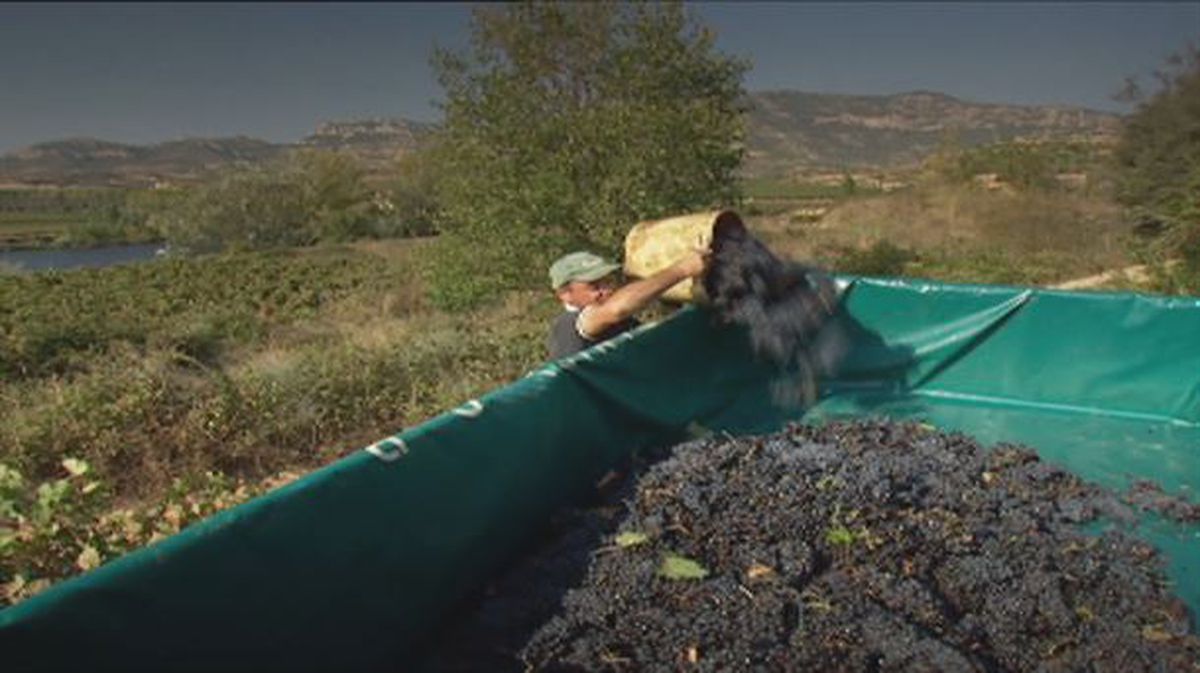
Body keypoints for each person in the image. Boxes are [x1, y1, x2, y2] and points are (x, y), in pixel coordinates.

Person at [546, 248, 708, 359]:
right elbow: (617, 309)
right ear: (565, 295)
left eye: (608, 281)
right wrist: (683, 269)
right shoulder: (570, 325)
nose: (607, 290)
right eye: (594, 286)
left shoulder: (621, 323)